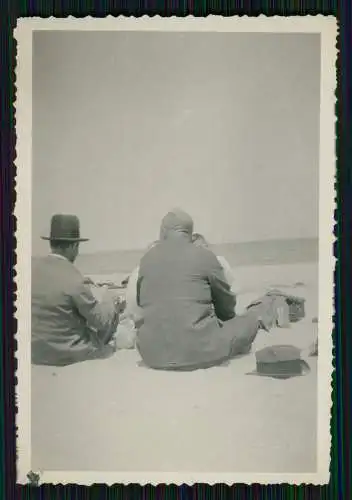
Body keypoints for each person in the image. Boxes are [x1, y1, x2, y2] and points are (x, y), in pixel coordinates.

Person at [135, 208, 266, 371]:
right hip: (199, 352)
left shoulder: (146, 259)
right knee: (249, 320)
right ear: (190, 233)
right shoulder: (204, 256)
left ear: (163, 232)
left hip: (151, 354)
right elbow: (226, 305)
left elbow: (142, 303)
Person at [31, 214, 123, 366]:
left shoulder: (34, 270)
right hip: (70, 353)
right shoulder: (73, 276)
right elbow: (101, 321)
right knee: (109, 327)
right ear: (74, 246)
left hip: (38, 353)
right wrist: (110, 298)